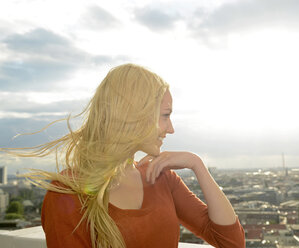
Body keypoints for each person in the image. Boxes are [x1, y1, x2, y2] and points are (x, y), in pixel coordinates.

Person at [2, 64, 245, 248]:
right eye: (165, 115)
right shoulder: (67, 193)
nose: (171, 129)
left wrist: (197, 165)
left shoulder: (160, 178)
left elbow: (231, 242)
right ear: (134, 115)